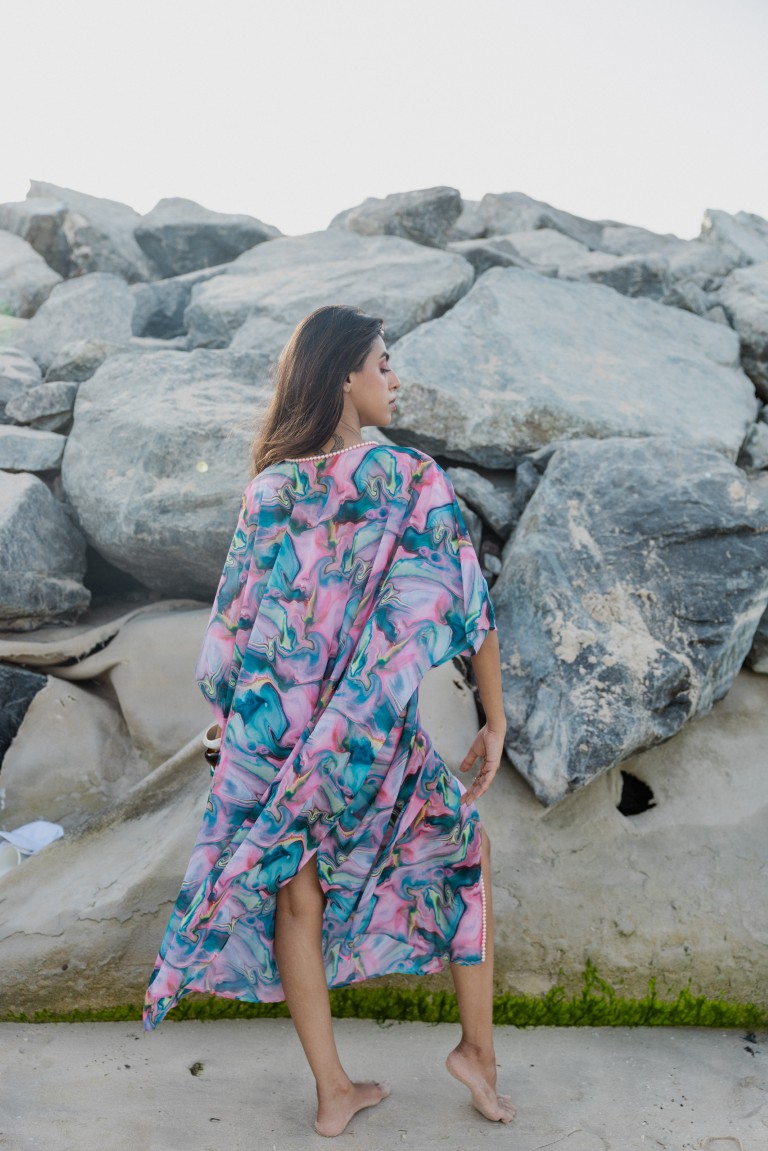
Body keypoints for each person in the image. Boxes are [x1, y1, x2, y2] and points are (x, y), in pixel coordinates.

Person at [143, 304, 514, 1135]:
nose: (394, 377)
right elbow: (467, 605)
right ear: (344, 374)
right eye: (383, 362)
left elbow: (226, 645)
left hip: (279, 736)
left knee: (298, 894)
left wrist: (236, 730)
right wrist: (494, 718)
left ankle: (333, 1091)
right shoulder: (409, 479)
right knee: (466, 851)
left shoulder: (269, 490)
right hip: (367, 736)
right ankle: (476, 1054)